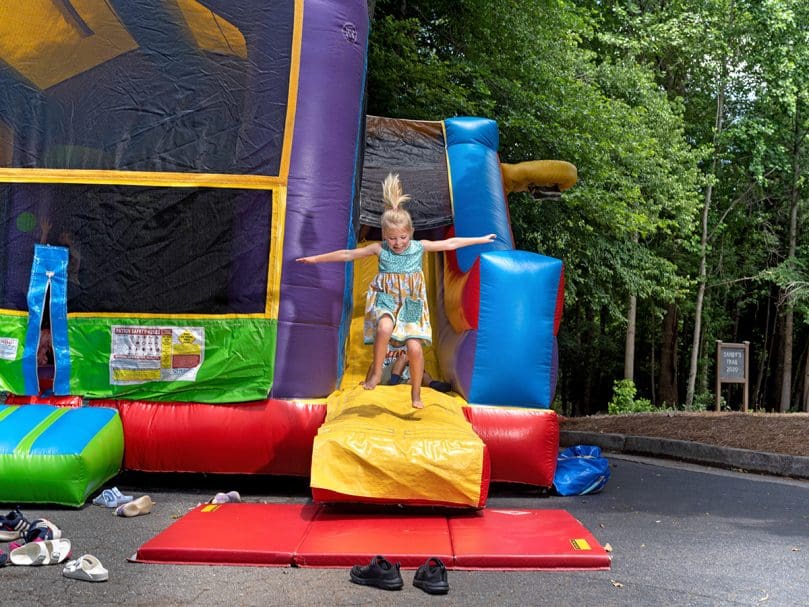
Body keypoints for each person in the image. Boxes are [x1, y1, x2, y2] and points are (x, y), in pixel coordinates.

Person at [297, 173, 495, 408]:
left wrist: (480, 239)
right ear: (384, 236)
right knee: (384, 327)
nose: (398, 243)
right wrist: (316, 259)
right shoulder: (379, 249)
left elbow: (450, 243)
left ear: (410, 233)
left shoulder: (419, 247)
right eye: (392, 238)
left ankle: (416, 393)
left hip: (411, 303)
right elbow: (347, 254)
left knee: (414, 348)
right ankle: (376, 374)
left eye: (402, 237)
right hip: (387, 298)